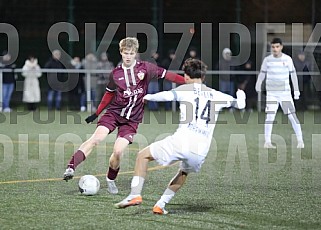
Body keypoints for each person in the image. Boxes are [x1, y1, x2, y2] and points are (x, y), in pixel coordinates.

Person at [114, 58, 246, 214]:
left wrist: (147, 97)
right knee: (184, 172)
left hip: (181, 141)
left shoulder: (185, 89)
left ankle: (135, 195)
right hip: (200, 150)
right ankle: (160, 205)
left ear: (186, 76)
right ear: (203, 77)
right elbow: (240, 105)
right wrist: (241, 94)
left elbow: (165, 96)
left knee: (142, 156)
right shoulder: (217, 95)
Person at [63, 37, 186, 195]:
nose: (128, 56)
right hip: (114, 113)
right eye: (125, 53)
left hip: (132, 120)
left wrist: (188, 82)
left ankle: (110, 179)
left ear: (135, 53)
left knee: (118, 151)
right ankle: (71, 167)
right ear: (121, 53)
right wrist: (97, 113)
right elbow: (109, 94)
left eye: (131, 53)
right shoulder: (116, 74)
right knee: (96, 139)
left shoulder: (146, 68)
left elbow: (168, 75)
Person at [255, 38, 304, 149]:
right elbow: (262, 73)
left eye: (277, 47)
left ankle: (300, 140)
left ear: (281, 47)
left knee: (292, 116)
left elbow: (293, 74)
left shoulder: (287, 59)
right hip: (272, 94)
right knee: (270, 117)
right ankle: (267, 142)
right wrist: (258, 83)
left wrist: (296, 90)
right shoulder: (267, 60)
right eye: (273, 47)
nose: (275, 49)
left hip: (285, 94)